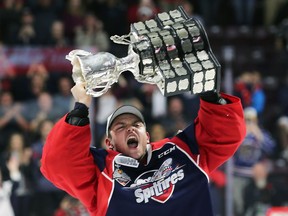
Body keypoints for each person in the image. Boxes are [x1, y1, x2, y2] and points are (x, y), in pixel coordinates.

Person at [40, 79, 245, 216]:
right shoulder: (101, 171)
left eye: (136, 125)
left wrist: (209, 92)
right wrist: (80, 108)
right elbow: (58, 163)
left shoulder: (180, 150)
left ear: (146, 136)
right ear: (109, 143)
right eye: (120, 127)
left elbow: (226, 133)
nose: (130, 129)